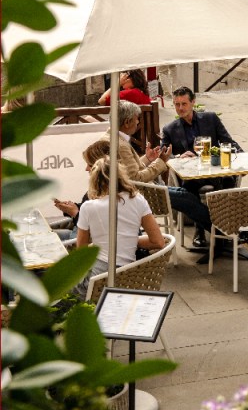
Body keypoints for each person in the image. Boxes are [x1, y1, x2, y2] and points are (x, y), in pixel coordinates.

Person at [160, 86, 241, 247]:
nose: (180, 108)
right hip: (191, 176)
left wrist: (243, 160)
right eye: (177, 104)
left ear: (193, 102)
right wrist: (178, 157)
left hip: (215, 170)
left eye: (184, 104)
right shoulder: (169, 129)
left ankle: (225, 226)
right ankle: (200, 229)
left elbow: (229, 142)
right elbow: (164, 155)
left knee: (227, 180)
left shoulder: (210, 119)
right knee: (190, 186)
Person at [75, 157, 164, 297]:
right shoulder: (138, 200)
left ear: (94, 180)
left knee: (55, 289)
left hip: (97, 281)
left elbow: (81, 252)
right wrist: (126, 240)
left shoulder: (88, 207)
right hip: (128, 277)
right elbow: (158, 242)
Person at [52, 140, 112, 242]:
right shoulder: (98, 188)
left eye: (89, 165)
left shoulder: (109, 195)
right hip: (76, 234)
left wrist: (75, 213)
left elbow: (94, 230)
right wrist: (71, 208)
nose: (86, 169)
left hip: (82, 242)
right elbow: (86, 210)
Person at [103, 100, 171, 184]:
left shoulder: (111, 136)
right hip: (139, 190)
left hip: (128, 188)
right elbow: (136, 179)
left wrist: (147, 158)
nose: (138, 122)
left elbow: (129, 169)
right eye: (136, 119)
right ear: (127, 122)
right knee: (184, 192)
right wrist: (160, 161)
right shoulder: (120, 146)